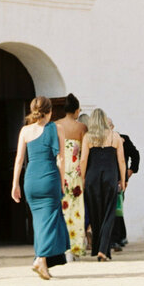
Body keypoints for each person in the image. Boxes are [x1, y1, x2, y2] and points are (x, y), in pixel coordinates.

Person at [11, 96, 70, 279]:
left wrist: (15, 184)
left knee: (39, 223)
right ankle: (40, 259)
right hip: (49, 178)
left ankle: (42, 262)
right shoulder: (56, 128)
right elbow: (60, 159)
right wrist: (62, 182)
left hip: (31, 180)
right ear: (50, 110)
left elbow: (19, 160)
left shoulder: (25, 131)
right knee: (50, 222)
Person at [80, 108, 125, 261]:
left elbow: (84, 160)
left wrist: (83, 178)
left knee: (95, 213)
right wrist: (123, 180)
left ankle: (99, 249)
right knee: (109, 213)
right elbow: (122, 161)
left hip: (92, 177)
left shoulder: (88, 137)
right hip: (110, 176)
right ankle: (103, 250)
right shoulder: (115, 136)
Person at [53, 93, 87, 256]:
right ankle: (75, 246)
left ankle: (60, 245)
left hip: (60, 169)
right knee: (76, 209)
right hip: (75, 171)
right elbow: (84, 155)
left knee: (61, 208)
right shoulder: (81, 128)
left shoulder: (55, 125)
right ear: (76, 110)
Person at [110, 123, 140, 251]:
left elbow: (135, 154)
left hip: (120, 179)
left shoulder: (123, 138)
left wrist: (131, 170)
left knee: (117, 207)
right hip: (109, 178)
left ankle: (118, 237)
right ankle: (120, 236)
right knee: (115, 208)